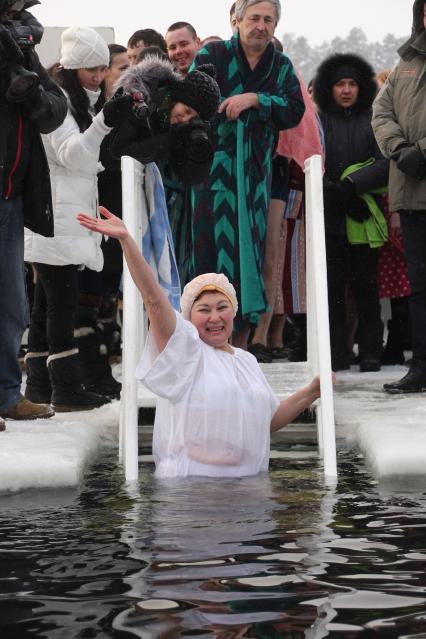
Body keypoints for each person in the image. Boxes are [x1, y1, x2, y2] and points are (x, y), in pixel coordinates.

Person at [78, 206, 323, 478]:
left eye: (222, 307)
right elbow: (154, 300)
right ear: (188, 317)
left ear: (234, 311)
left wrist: (312, 391)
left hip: (248, 495)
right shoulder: (185, 352)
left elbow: (265, 421)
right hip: (190, 494)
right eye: (204, 310)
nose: (215, 317)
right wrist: (127, 242)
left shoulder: (246, 361)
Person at [190, 0, 305, 349]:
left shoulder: (281, 65)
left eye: (268, 19)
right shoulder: (212, 55)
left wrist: (257, 99)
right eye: (254, 17)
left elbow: (295, 109)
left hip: (255, 178)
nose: (261, 25)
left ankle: (238, 346)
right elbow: (193, 96)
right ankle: (204, 345)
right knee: (208, 253)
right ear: (237, 20)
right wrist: (228, 103)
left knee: (249, 258)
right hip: (212, 174)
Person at [24, 26, 118, 412]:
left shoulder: (74, 99)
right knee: (59, 302)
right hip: (56, 215)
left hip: (59, 214)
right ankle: (64, 389)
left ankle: (40, 387)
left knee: (47, 302)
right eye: (92, 68)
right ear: (74, 66)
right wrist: (105, 120)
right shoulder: (59, 102)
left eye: (103, 68)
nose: (99, 76)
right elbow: (74, 155)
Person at [0, 0, 67, 425]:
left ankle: (8, 394)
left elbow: (55, 109)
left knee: (11, 304)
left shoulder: (22, 46)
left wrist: (29, 90)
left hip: (11, 194)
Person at [313, 53, 389, 372]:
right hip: (329, 217)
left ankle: (371, 350)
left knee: (366, 286)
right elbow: (310, 160)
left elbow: (385, 162)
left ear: (361, 88)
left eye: (352, 84)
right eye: (340, 84)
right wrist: (336, 192)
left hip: (363, 216)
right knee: (332, 291)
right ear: (330, 88)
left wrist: (353, 187)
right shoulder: (318, 120)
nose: (346, 90)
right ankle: (336, 353)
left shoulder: (373, 118)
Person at [372, 0, 426, 393]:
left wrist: (421, 150)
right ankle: (421, 367)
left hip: (416, 165)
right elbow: (381, 111)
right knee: (420, 287)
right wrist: (398, 149)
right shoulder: (406, 62)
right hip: (410, 190)